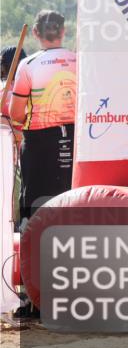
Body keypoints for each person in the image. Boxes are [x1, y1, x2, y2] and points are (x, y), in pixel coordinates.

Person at [8, 11, 77, 222]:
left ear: (36, 33)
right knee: (72, 200)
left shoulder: (28, 65)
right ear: (63, 31)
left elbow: (16, 114)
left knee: (36, 206)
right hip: (76, 140)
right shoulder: (80, 61)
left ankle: (34, 250)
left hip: (39, 143)